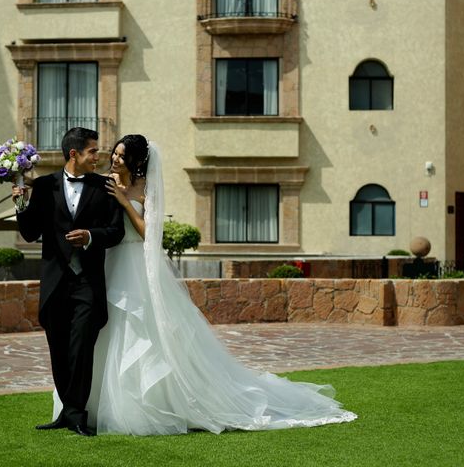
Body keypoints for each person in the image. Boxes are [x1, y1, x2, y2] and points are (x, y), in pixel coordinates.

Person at [53, 134, 357, 435]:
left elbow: (150, 234)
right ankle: (86, 406)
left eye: (120, 155)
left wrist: (124, 201)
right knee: (101, 332)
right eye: (114, 154)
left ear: (134, 160)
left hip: (135, 265)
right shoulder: (104, 182)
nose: (114, 158)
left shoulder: (145, 189)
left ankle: (145, 407)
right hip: (109, 264)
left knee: (139, 332)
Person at [13, 127, 125, 437]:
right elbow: (30, 232)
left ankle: (77, 413)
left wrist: (91, 236)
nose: (98, 157)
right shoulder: (45, 186)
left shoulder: (104, 187)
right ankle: (65, 411)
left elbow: (116, 232)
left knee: (81, 348)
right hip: (55, 282)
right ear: (74, 154)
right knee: (59, 349)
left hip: (88, 282)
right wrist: (20, 203)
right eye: (93, 151)